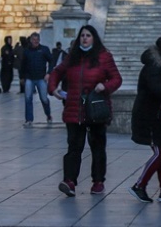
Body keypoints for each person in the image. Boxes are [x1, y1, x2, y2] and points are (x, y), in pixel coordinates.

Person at [49, 25, 123, 197]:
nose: (84, 38)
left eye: (88, 35)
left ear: (94, 38)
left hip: (96, 108)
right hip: (74, 110)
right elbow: (56, 72)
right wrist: (53, 88)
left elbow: (116, 79)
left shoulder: (104, 57)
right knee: (74, 147)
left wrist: (104, 86)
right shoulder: (72, 57)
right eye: (82, 35)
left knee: (97, 147)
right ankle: (69, 181)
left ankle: (98, 181)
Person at [129, 35, 161, 204]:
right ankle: (139, 185)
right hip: (150, 117)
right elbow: (159, 91)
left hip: (159, 116)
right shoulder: (154, 67)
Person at [20, 32, 54, 127]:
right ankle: (29, 119)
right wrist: (21, 77)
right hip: (29, 78)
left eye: (37, 40)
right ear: (30, 40)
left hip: (41, 78)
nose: (35, 42)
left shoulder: (44, 50)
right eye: (33, 40)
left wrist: (49, 73)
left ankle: (48, 115)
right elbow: (23, 65)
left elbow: (51, 61)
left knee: (44, 98)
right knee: (28, 98)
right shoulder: (26, 51)